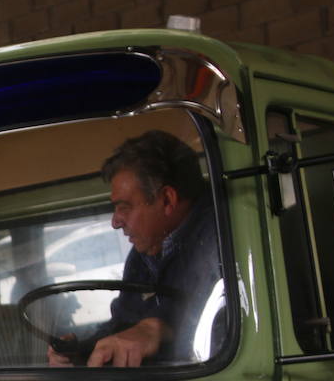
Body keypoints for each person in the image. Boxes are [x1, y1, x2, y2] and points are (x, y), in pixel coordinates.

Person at [49, 130, 221, 367]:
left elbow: (228, 331)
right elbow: (123, 322)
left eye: (124, 207)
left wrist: (159, 328)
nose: (115, 221)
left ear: (167, 200)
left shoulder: (224, 238)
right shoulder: (144, 254)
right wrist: (81, 350)